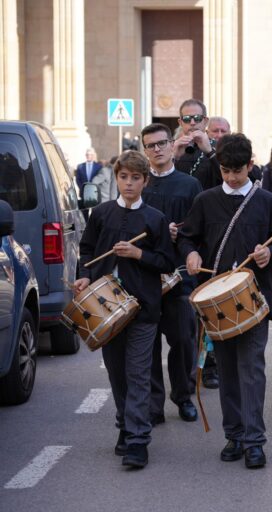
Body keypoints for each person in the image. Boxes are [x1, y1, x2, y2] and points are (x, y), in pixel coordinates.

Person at [179, 133, 272, 469]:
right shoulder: (206, 200)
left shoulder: (266, 200)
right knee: (227, 370)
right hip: (215, 302)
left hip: (254, 299)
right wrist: (192, 254)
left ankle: (255, 441)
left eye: (238, 170)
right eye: (225, 170)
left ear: (250, 166)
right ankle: (234, 434)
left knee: (252, 370)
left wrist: (269, 252)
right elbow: (186, 238)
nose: (231, 177)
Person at [73, 150, 176, 469]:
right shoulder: (102, 214)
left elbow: (167, 262)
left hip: (143, 308)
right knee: (117, 373)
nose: (128, 183)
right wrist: (83, 276)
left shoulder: (154, 219)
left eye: (135, 178)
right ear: (116, 178)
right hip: (105, 308)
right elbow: (86, 249)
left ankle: (137, 441)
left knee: (138, 373)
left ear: (145, 181)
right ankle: (125, 424)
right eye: (123, 177)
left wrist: (137, 254)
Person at [141, 123, 203, 426]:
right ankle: (154, 405)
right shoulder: (138, 183)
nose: (157, 149)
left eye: (161, 143)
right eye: (150, 145)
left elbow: (200, 226)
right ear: (144, 150)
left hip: (179, 275)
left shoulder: (188, 185)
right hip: (145, 276)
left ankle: (182, 396)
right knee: (148, 342)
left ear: (171, 145)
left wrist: (182, 232)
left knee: (182, 339)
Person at [173, 98, 222, 190]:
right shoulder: (172, 147)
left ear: (205, 121)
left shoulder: (221, 147)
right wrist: (174, 157)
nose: (192, 123)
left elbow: (230, 178)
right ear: (180, 122)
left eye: (197, 118)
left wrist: (210, 152)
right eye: (187, 119)